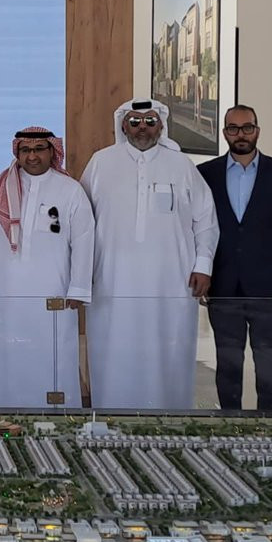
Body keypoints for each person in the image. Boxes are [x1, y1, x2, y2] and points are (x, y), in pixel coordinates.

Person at [80, 99, 219, 409]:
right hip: (112, 280)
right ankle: (111, 417)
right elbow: (81, 222)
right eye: (134, 121)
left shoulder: (181, 165)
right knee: (114, 350)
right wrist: (81, 272)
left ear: (161, 125)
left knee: (168, 351)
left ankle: (170, 420)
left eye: (150, 121)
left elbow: (206, 220)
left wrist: (203, 265)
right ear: (123, 125)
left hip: (170, 281)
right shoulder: (101, 162)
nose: (142, 127)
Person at [198, 104, 272, 411]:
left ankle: (271, 426)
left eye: (247, 128)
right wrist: (202, 272)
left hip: (270, 287)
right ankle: (230, 423)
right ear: (224, 133)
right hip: (223, 286)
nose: (241, 134)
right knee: (227, 363)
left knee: (268, 362)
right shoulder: (205, 174)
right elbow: (198, 229)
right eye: (233, 128)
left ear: (257, 131)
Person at [0, 127, 93, 408]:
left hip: (54, 291)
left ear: (52, 151)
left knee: (53, 354)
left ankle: (57, 418)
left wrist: (78, 287)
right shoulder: (1, 186)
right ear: (17, 153)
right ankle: (3, 412)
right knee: (8, 354)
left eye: (39, 149)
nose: (32, 156)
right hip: (6, 289)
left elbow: (84, 240)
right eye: (26, 150)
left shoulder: (70, 190)